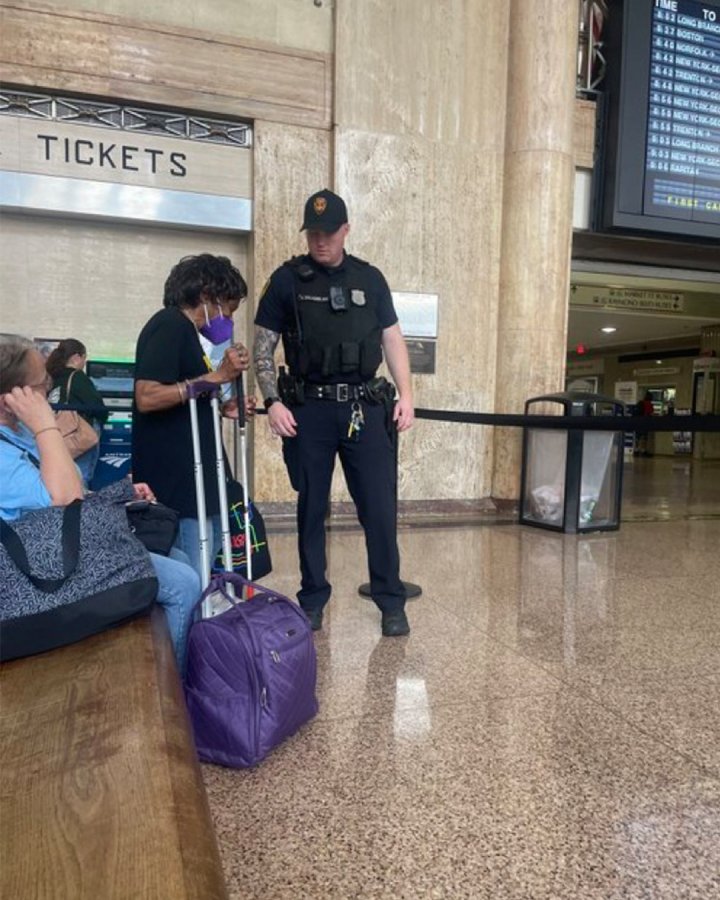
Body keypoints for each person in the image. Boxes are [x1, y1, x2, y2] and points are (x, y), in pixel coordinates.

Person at [253, 188, 414, 637]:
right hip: (309, 411)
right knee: (311, 510)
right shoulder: (287, 280)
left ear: (346, 230)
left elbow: (393, 339)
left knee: (379, 510)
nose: (320, 241)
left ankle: (390, 600)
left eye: (328, 232)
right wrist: (272, 401)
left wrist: (407, 393)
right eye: (313, 233)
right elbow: (264, 347)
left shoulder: (371, 279)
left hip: (364, 407)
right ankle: (313, 598)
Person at [0, 334, 200, 675]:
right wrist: (45, 423)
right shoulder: (12, 446)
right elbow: (65, 498)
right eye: (41, 383)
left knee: (173, 551)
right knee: (183, 582)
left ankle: (166, 670)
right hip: (34, 577)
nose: (48, 389)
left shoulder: (17, 433)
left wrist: (117, 495)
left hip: (58, 551)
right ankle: (175, 703)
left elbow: (73, 485)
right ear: (12, 398)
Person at [132, 254, 252, 580]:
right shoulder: (169, 324)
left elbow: (188, 391)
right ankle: (191, 631)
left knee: (202, 566)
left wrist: (220, 403)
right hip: (180, 487)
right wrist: (216, 378)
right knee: (192, 574)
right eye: (227, 307)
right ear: (206, 295)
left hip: (197, 481)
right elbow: (148, 395)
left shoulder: (187, 334)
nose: (227, 317)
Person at [46, 338, 109, 487]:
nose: (84, 363)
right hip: (77, 436)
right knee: (81, 478)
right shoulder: (77, 376)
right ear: (76, 357)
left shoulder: (52, 377)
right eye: (84, 359)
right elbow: (97, 406)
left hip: (55, 434)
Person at [634, 390, 655, 457]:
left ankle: (636, 451)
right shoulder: (649, 404)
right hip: (645, 422)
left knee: (637, 437)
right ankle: (643, 451)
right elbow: (651, 413)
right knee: (644, 438)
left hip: (638, 422)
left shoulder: (640, 402)